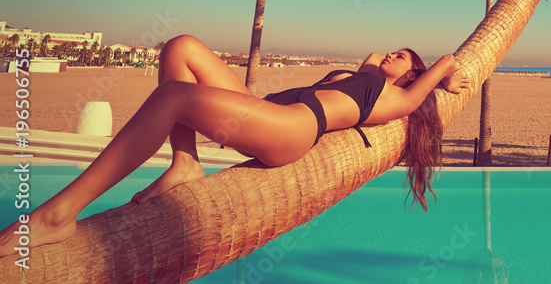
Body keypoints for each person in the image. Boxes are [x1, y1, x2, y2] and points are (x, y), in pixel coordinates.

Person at [0, 34, 469, 256]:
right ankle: (185, 163)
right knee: (181, 47)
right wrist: (380, 61)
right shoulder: (365, 74)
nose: (392, 52)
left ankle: (57, 215)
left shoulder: (395, 97)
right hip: (263, 107)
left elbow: (436, 72)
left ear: (412, 73)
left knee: (171, 98)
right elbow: (370, 58)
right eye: (394, 47)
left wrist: (446, 70)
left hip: (292, 128)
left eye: (403, 55)